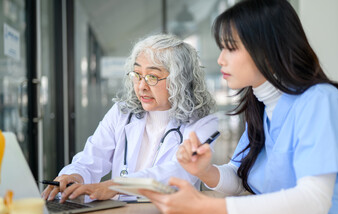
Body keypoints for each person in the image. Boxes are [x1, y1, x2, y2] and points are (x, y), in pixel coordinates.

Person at [140, 0, 338, 214]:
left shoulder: (320, 101)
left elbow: (314, 202)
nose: (220, 60)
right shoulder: (263, 108)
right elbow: (241, 179)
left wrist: (207, 208)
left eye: (231, 48)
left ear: (268, 49)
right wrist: (205, 171)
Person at [41, 34, 217, 203]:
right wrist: (74, 175)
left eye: (152, 77)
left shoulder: (203, 122)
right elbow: (92, 157)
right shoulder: (122, 113)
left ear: (180, 79)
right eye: (137, 75)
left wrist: (116, 186)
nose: (141, 86)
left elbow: (180, 170)